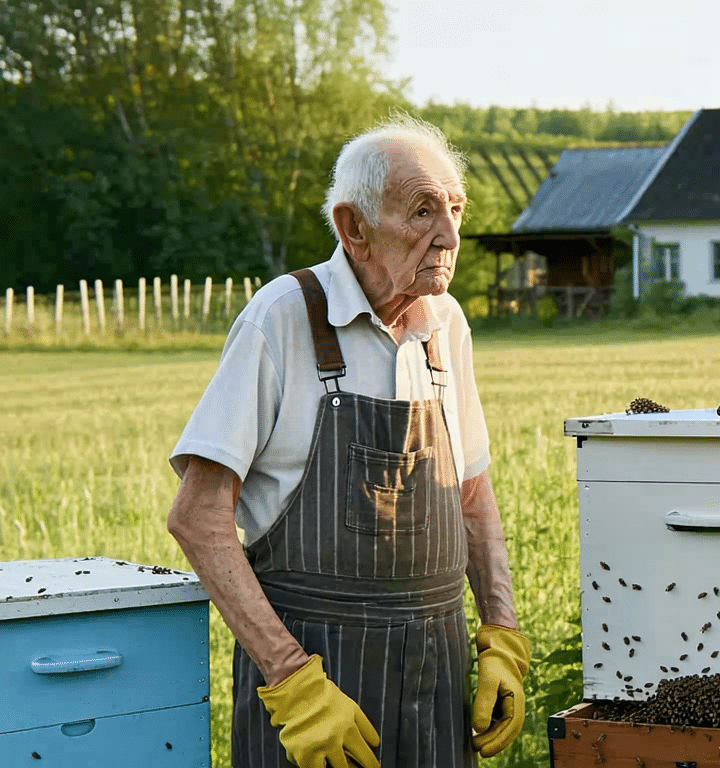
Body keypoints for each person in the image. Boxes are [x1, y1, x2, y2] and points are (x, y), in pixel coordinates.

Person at [167, 116, 530, 768]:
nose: (450, 236)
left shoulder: (446, 324)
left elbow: (471, 493)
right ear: (353, 227)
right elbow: (197, 517)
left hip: (438, 682)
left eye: (455, 208)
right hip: (317, 685)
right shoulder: (282, 317)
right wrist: (290, 679)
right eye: (423, 212)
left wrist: (501, 631)